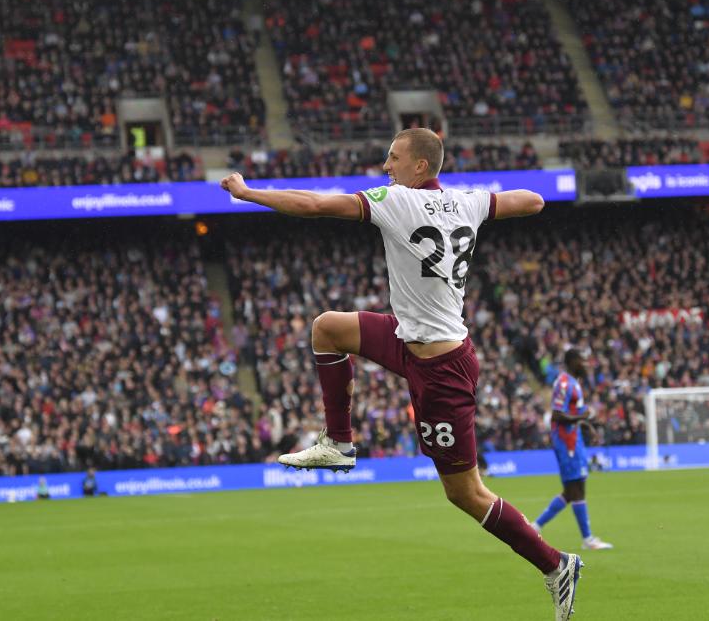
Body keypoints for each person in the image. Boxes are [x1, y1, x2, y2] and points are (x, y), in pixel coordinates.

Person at [221, 128, 583, 620]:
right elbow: (534, 200)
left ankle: (556, 564)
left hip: (441, 370)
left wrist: (247, 193)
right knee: (327, 328)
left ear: (418, 167)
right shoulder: (468, 201)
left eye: (393, 158)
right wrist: (500, 201)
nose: (385, 166)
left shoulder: (396, 200)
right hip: (409, 337)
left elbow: (313, 205)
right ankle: (339, 444)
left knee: (465, 493)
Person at [530, 349, 613, 550]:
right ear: (572, 362)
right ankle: (587, 539)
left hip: (574, 439)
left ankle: (534, 527)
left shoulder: (575, 384)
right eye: (582, 361)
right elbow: (557, 415)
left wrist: (586, 426)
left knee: (572, 490)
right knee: (576, 489)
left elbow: (572, 414)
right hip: (566, 442)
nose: (585, 364)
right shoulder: (564, 383)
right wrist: (583, 419)